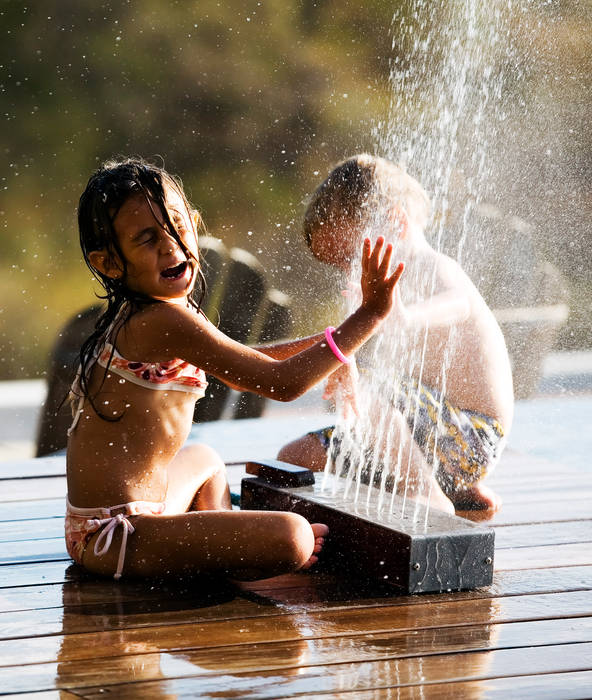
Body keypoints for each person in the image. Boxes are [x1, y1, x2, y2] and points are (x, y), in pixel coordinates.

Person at [65, 157, 404, 581]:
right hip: (114, 536)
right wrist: (370, 315)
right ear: (109, 264)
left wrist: (334, 346)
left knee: (205, 458)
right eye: (148, 239)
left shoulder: (161, 312)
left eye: (177, 226)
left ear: (194, 221)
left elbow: (249, 358)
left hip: (129, 517)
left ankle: (223, 545)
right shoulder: (162, 322)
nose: (171, 246)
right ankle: (234, 551)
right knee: (294, 537)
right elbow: (281, 384)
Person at [277, 154, 514, 514]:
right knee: (296, 456)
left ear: (395, 222)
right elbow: (337, 350)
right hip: (423, 444)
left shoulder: (432, 266)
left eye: (351, 257)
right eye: (339, 264)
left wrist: (404, 315)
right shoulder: (378, 292)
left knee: (369, 384)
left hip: (469, 436)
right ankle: (446, 488)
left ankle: (425, 492)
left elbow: (458, 304)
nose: (349, 271)